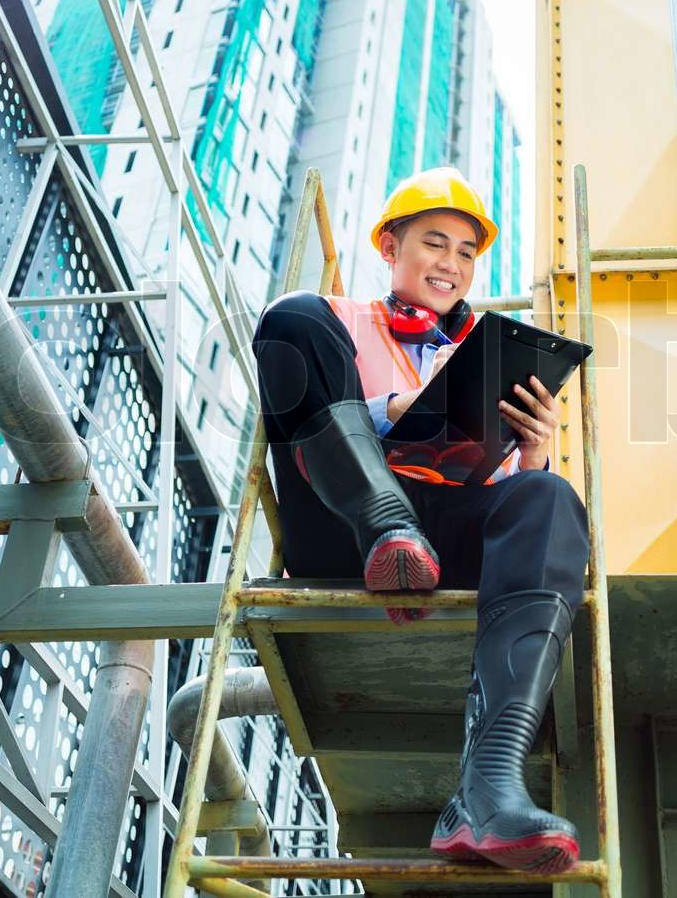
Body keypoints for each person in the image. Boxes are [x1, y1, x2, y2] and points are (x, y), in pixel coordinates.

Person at [250, 167, 588, 873]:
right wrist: (387, 413)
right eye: (435, 243)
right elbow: (299, 403)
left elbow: (505, 506)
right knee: (290, 315)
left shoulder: (485, 358)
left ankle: (488, 787)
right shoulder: (337, 322)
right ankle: (386, 523)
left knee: (551, 501)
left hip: (444, 527)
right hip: (342, 521)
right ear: (389, 245)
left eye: (467, 252)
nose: (452, 263)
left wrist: (533, 452)